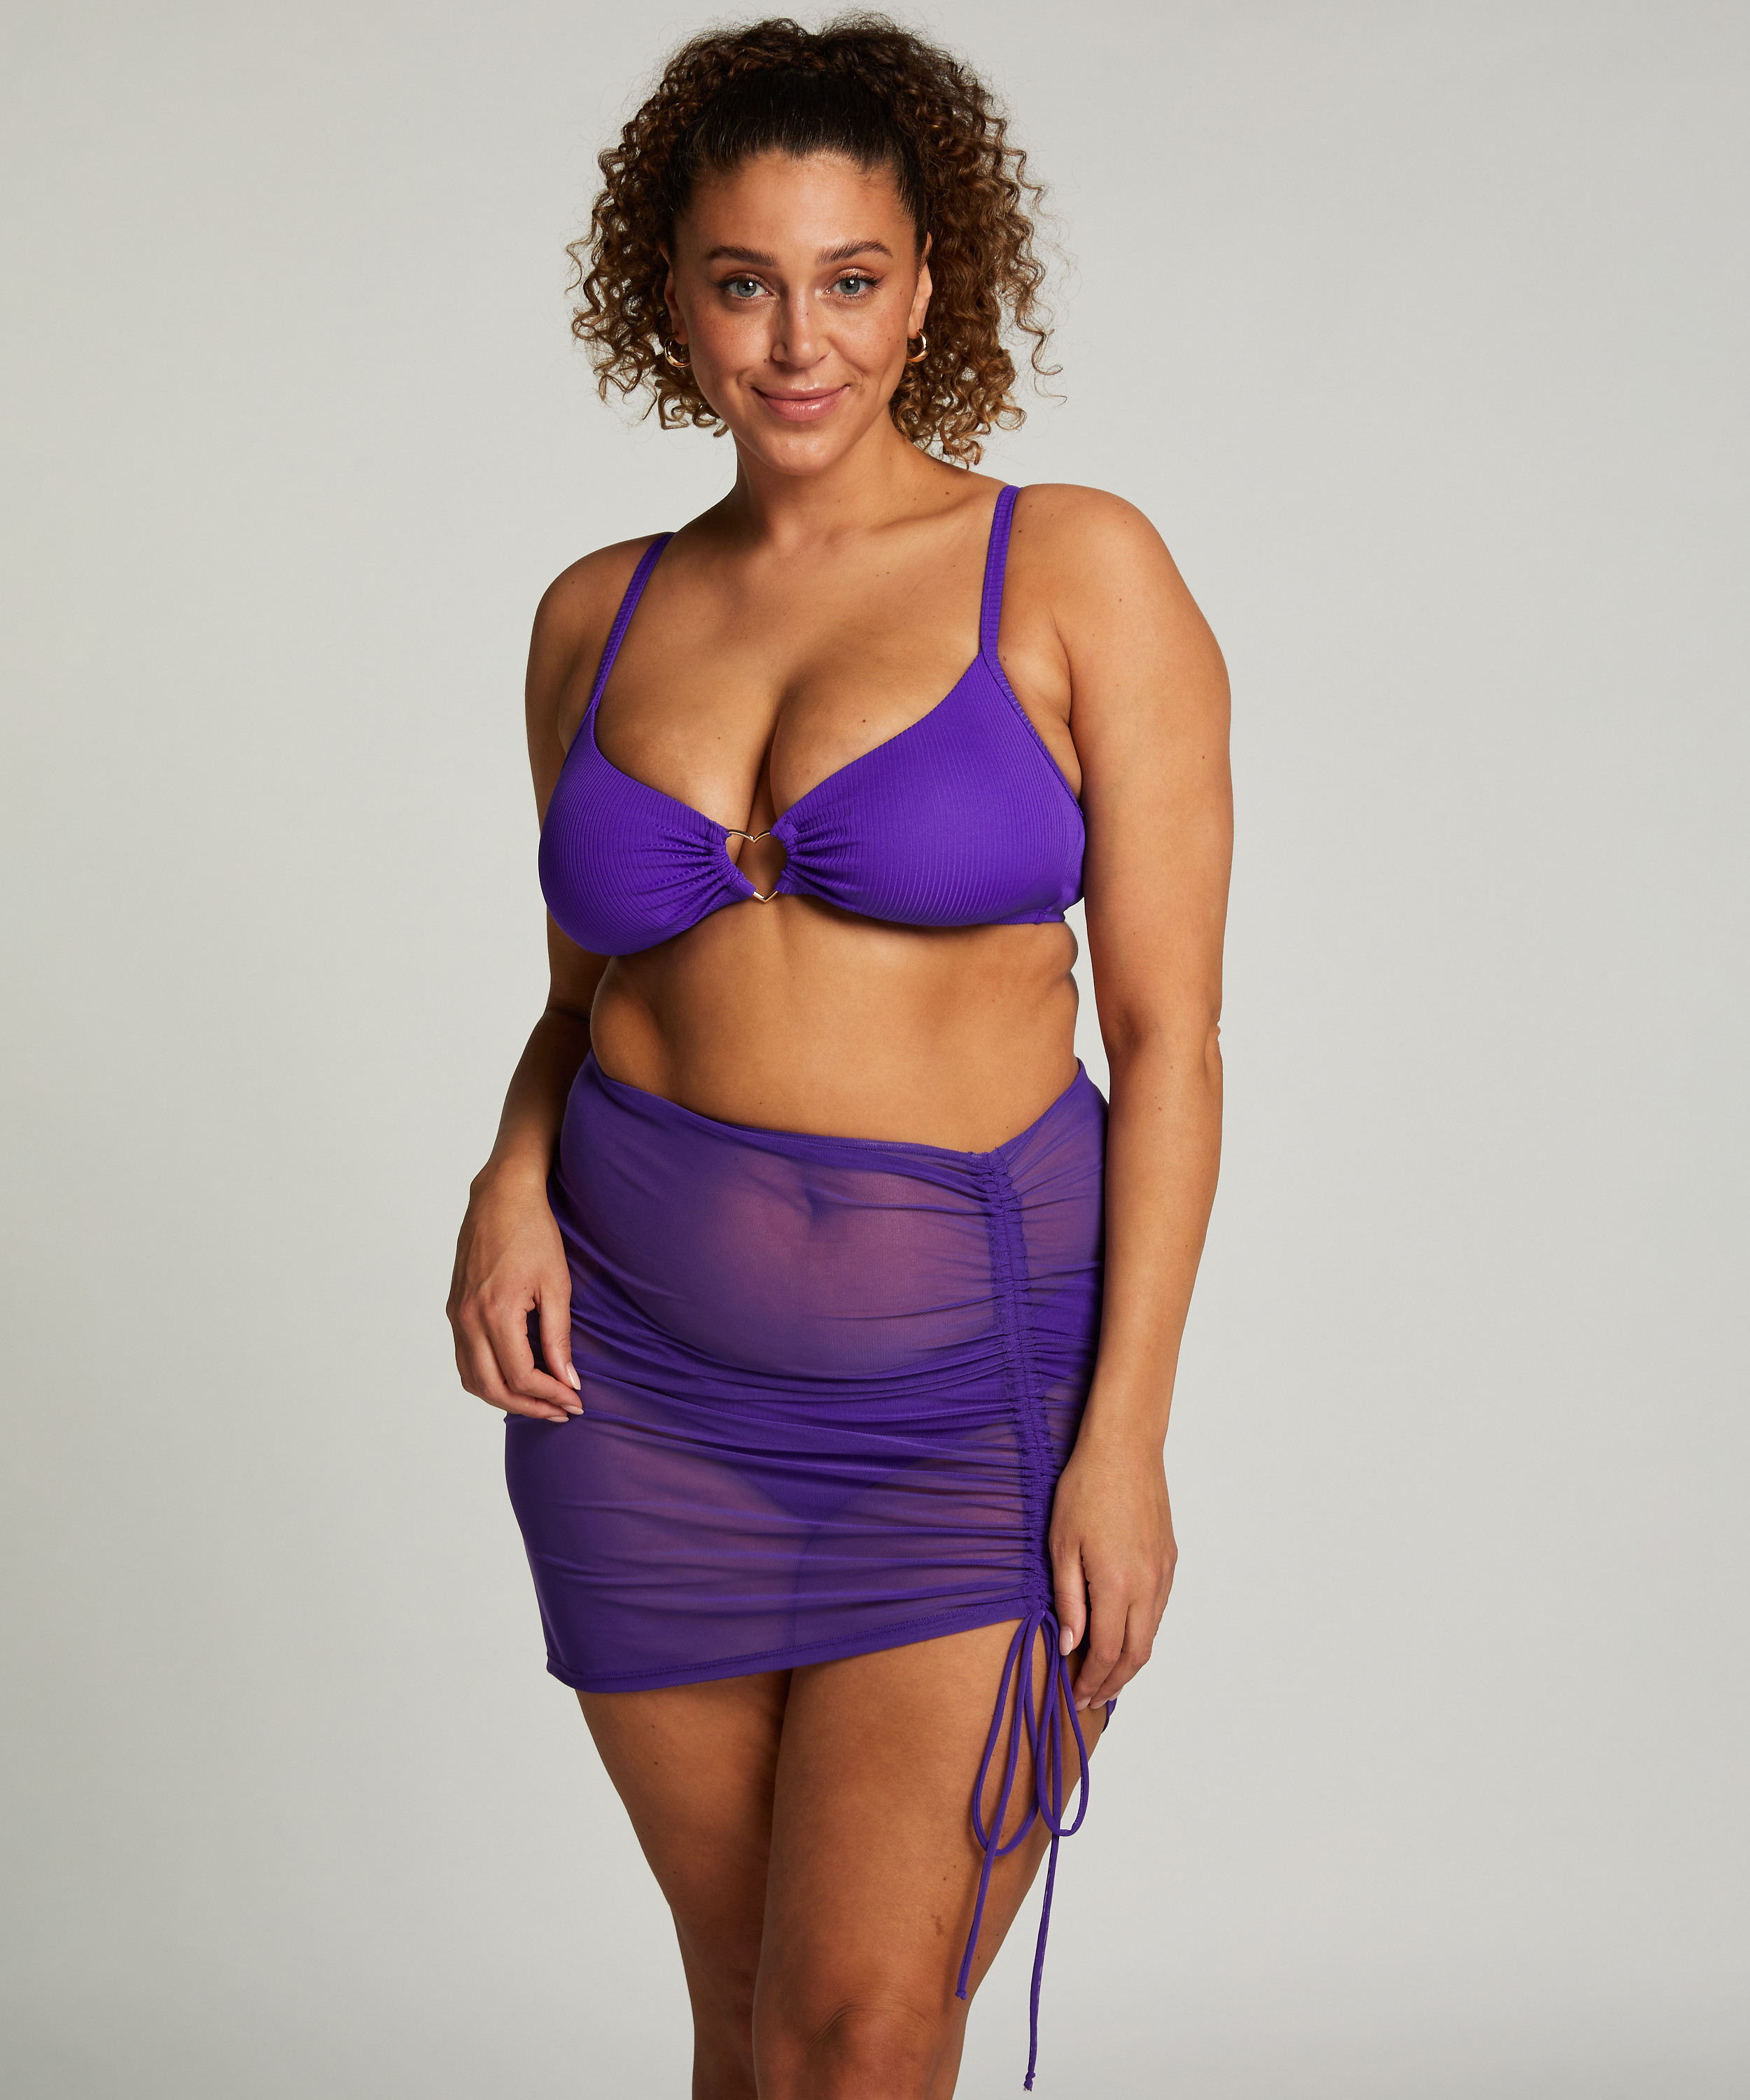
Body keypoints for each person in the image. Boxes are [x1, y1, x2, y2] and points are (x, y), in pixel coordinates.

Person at [447, 15, 1231, 2096]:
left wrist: (1126, 1440)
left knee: (858, 2035)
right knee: (746, 2027)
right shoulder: (596, 615)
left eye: (849, 278)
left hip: (967, 1403)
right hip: (634, 1396)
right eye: (744, 282)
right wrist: (507, 1179)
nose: (798, 342)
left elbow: (1169, 1039)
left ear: (927, 282)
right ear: (670, 296)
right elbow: (583, 998)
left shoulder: (1073, 566)